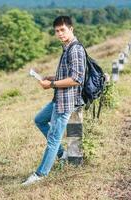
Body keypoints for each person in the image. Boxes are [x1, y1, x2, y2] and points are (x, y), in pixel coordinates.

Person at [22, 16, 86, 186]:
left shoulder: (75, 49)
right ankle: (62, 154)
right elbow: (68, 74)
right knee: (40, 120)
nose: (59, 33)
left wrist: (51, 84)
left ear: (71, 29)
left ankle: (40, 174)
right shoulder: (66, 48)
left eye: (62, 30)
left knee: (53, 138)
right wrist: (53, 77)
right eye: (56, 31)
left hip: (66, 101)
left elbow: (77, 79)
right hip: (58, 98)